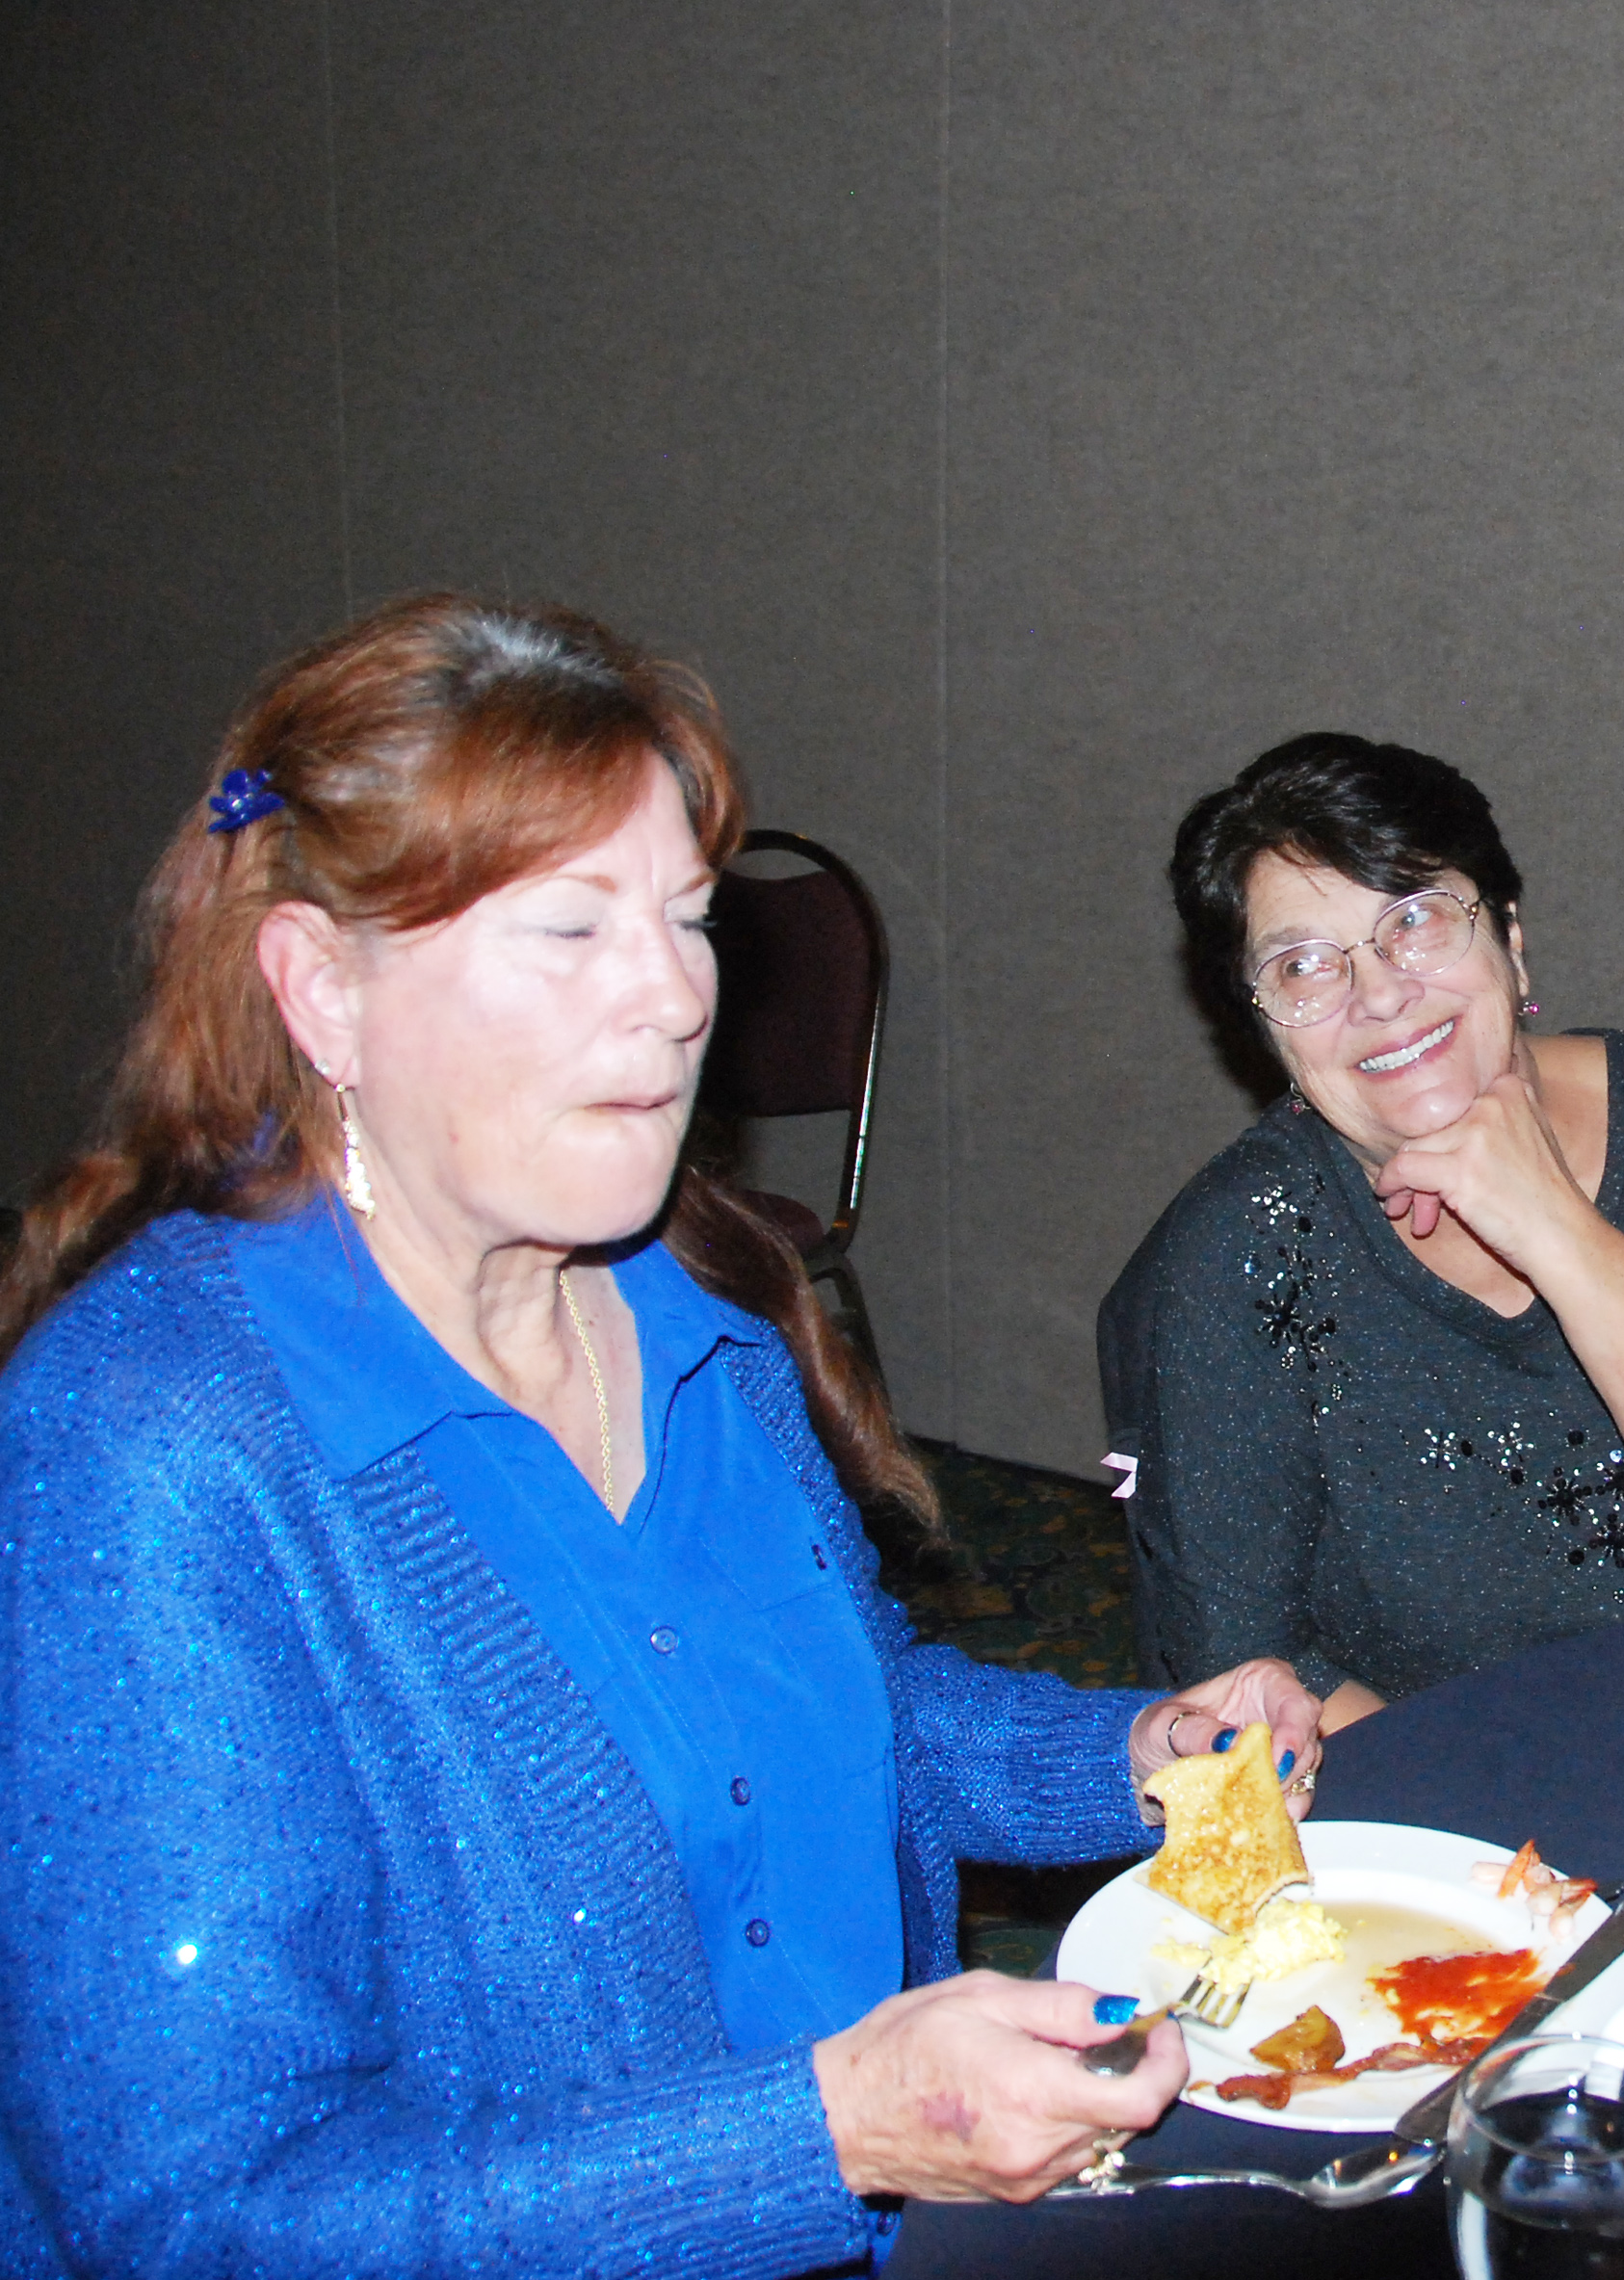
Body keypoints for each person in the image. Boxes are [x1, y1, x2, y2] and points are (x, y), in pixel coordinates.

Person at [0, 595, 1322, 2274]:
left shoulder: (694, 1309)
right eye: (571, 930)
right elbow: (197, 2217)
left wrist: (1130, 1760)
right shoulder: (155, 1455)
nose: (677, 996)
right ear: (322, 989)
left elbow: (824, 1710)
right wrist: (819, 2135)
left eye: (689, 920)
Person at [1101, 733, 1624, 1728]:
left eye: (1417, 921)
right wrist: (1488, 1854)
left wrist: (1556, 1227)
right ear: (1262, 1025)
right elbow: (1244, 1663)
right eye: (1305, 966)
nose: (1380, 994)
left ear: (1509, 936)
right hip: (1430, 1808)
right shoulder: (1242, 1249)